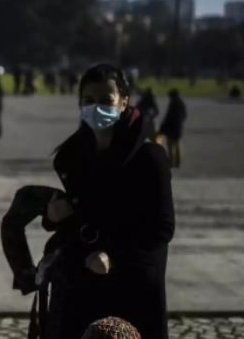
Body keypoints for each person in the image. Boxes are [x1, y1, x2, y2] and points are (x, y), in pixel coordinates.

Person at [44, 63, 175, 339]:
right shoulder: (72, 156)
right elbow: (83, 211)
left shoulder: (150, 158)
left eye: (106, 100)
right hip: (82, 281)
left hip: (131, 284)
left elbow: (161, 228)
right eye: (89, 101)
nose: (96, 107)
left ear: (124, 102)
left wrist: (114, 255)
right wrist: (53, 215)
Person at [158, 89, 187, 168]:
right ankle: (178, 162)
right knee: (177, 145)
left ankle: (171, 162)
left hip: (171, 128)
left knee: (171, 146)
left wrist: (162, 127)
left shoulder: (173, 104)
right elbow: (185, 115)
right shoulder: (181, 103)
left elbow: (168, 117)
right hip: (178, 127)